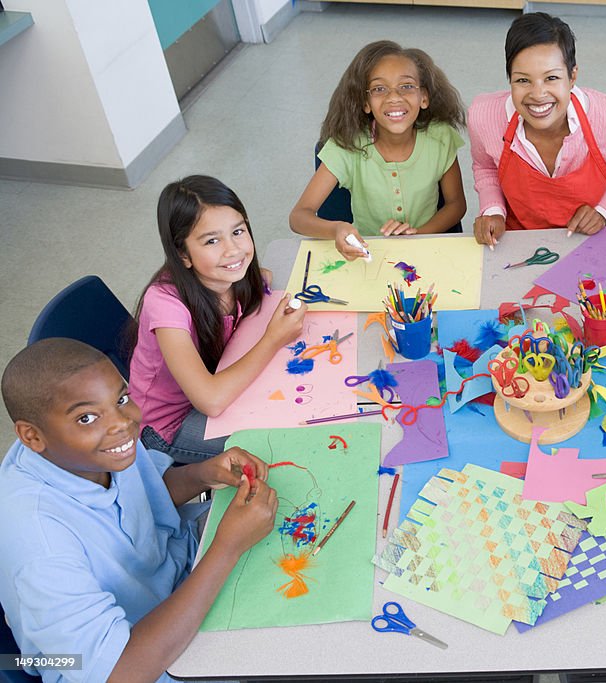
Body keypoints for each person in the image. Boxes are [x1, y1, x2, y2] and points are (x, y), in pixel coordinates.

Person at [0, 338, 279, 682]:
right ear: (31, 436)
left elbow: (142, 500)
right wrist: (226, 548)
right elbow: (119, 672)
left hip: (177, 576)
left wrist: (203, 474)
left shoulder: (86, 448)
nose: (122, 422)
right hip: (133, 659)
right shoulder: (39, 544)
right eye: (87, 417)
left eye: (121, 398)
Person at [129, 175, 306, 463]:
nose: (233, 250)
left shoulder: (225, 274)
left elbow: (263, 276)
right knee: (283, 445)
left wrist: (250, 276)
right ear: (183, 254)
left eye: (238, 232)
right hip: (168, 428)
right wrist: (274, 339)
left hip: (215, 388)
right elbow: (210, 401)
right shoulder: (164, 304)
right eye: (212, 240)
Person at [469, 12, 606, 247]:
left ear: (572, 76)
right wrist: (493, 210)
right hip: (527, 237)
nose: (538, 95)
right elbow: (485, 166)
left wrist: (604, 212)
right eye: (523, 80)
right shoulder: (483, 116)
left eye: (551, 78)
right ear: (509, 78)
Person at [290, 40, 467, 260]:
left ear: (424, 97)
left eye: (406, 86)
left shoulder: (441, 137)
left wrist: (419, 235)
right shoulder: (347, 146)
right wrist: (336, 229)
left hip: (428, 251)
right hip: (369, 258)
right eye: (379, 89)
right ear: (366, 103)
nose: (394, 97)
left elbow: (456, 204)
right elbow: (298, 217)